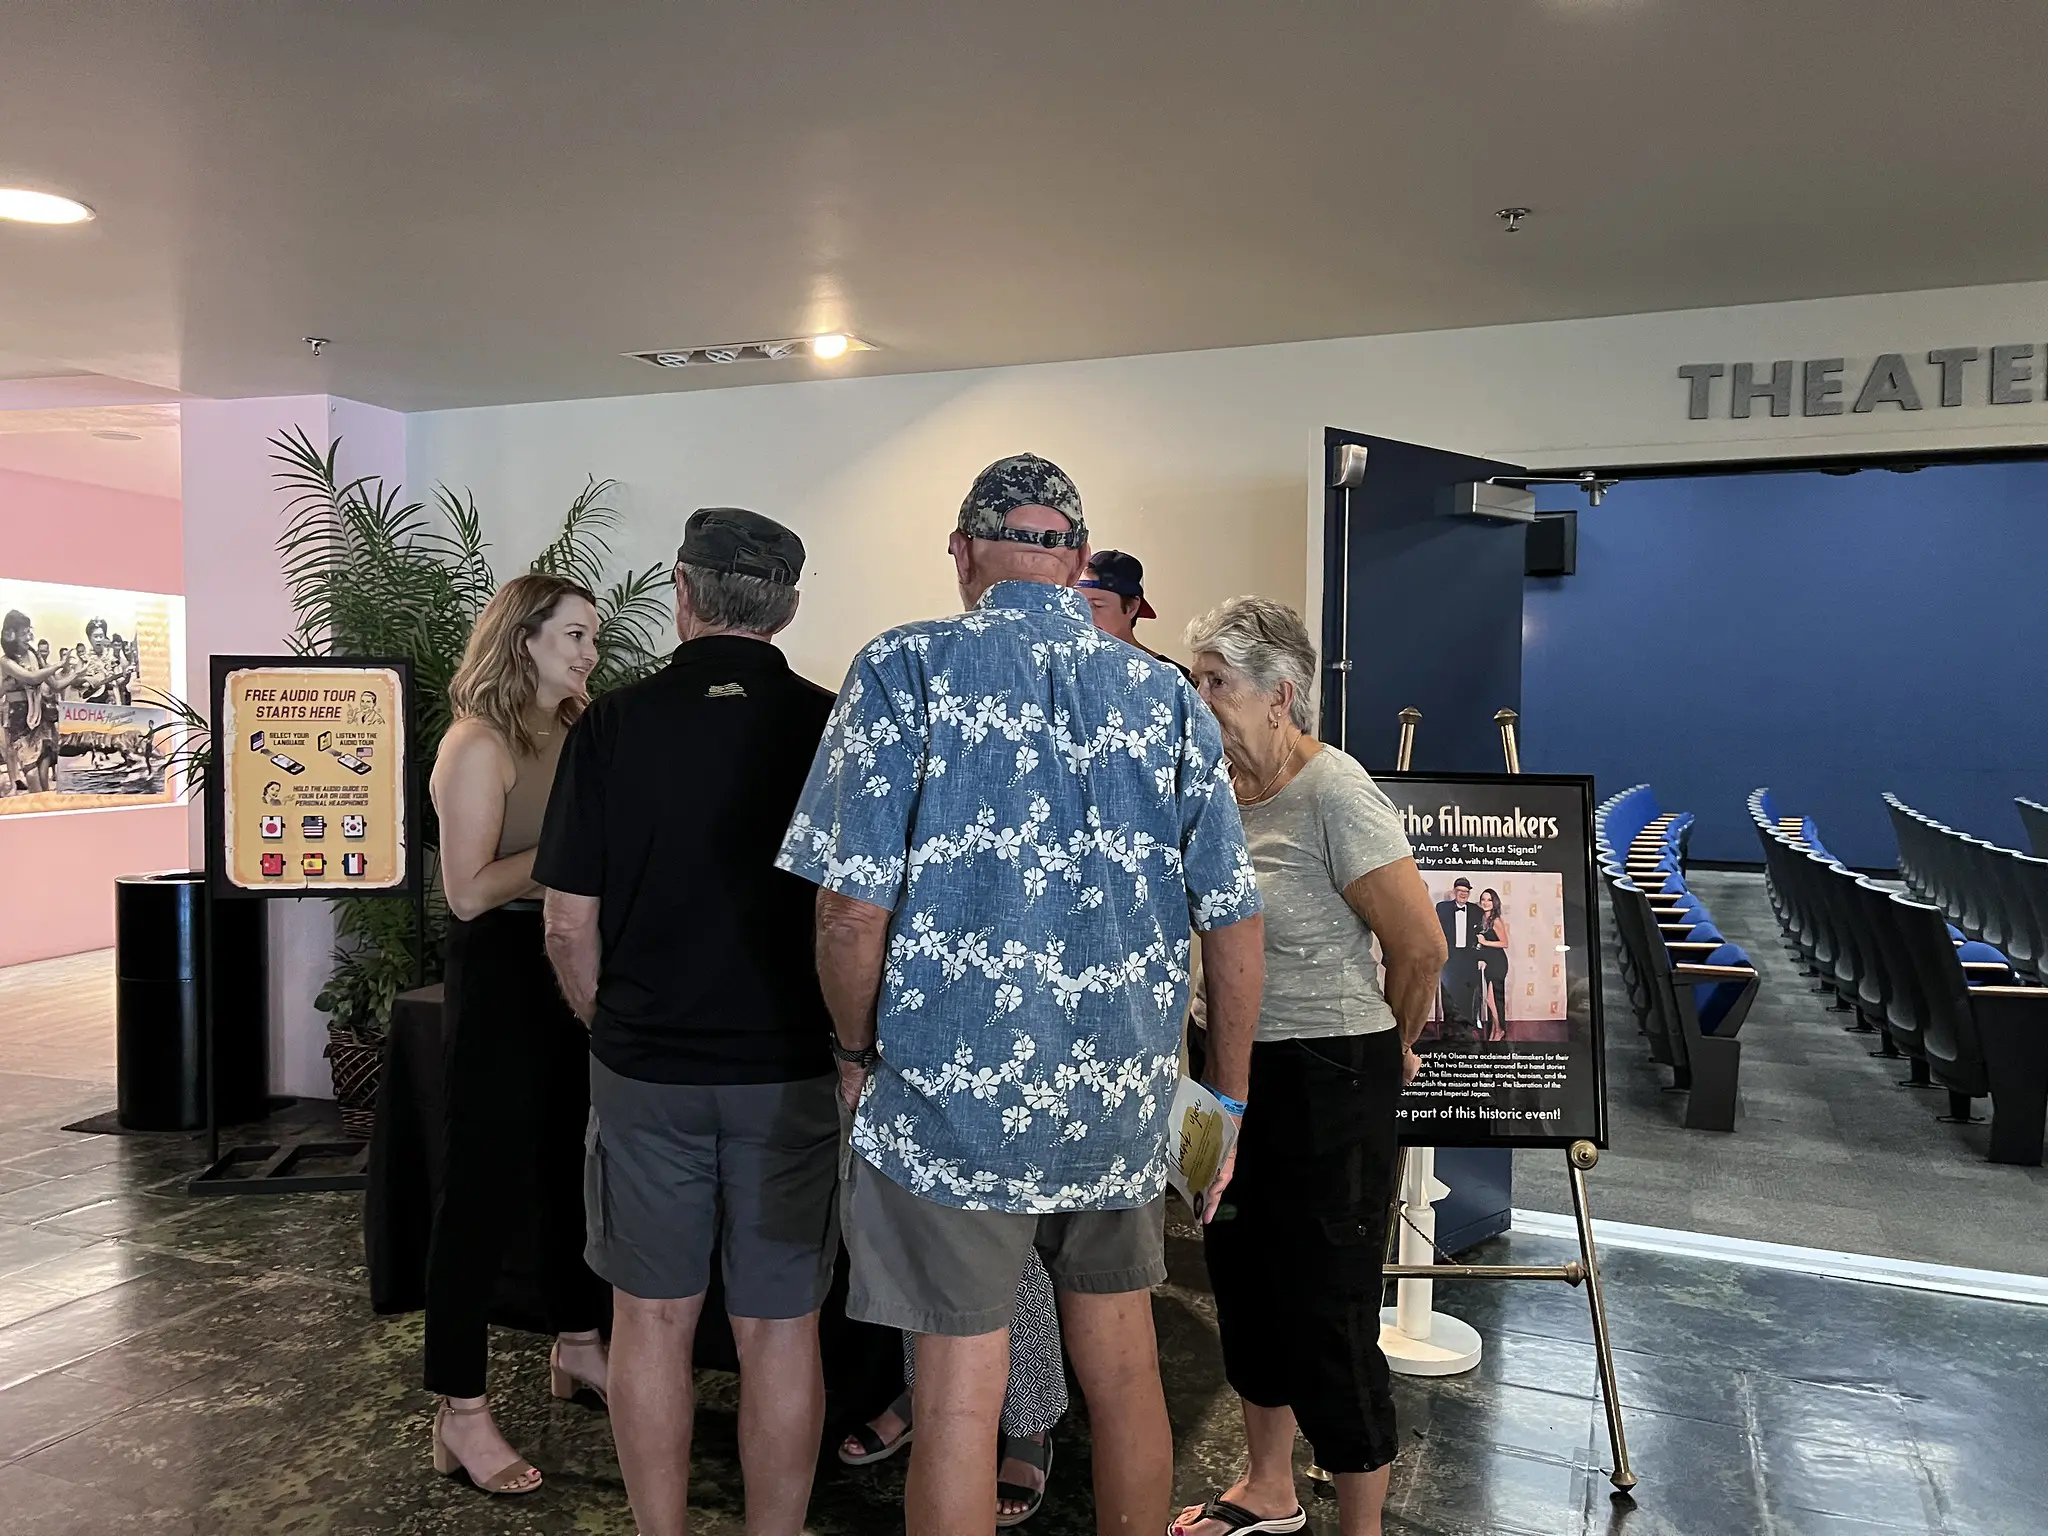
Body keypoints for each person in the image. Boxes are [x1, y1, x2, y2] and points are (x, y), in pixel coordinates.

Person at [777, 452, 1267, 1536]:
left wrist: (854, 1058)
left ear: (962, 554)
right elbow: (1231, 920)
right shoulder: (1164, 699)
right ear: (1078, 562)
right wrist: (1222, 1103)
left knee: (959, 1393)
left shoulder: (903, 668)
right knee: (1125, 1369)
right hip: (1121, 1097)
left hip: (949, 1101)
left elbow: (850, 915)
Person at [538, 508, 840, 1536]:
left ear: (680, 590)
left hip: (646, 1068)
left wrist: (602, 1021)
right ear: (786, 607)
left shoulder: (614, 723)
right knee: (779, 1328)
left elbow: (567, 924)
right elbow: (859, 917)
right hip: (792, 1069)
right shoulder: (834, 723)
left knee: (650, 1323)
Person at [1176, 595, 1446, 1536]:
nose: (1199, 697)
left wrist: (1398, 1048)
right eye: (1197, 678)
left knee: (1327, 1306)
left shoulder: (1334, 791)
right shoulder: (1209, 790)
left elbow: (1420, 950)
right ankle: (1268, 1488)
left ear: (1279, 695)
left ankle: (1362, 1525)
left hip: (1330, 1072)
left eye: (1217, 682)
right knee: (1242, 1283)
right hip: (1226, 1073)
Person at [421, 572, 611, 1497]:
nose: (588, 653)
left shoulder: (578, 730)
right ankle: (458, 1411)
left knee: (571, 1170)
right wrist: (578, 851)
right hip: (499, 977)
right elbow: (466, 891)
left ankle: (578, 1347)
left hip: (567, 966)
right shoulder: (475, 743)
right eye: (574, 635)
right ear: (524, 638)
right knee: (479, 1196)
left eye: (592, 638)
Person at [1077, 549, 1190, 680]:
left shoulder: (1172, 679)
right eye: (1080, 603)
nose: (1085, 615)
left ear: (1132, 607)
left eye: (1097, 605)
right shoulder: (1068, 668)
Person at [1435, 878, 1484, 1043]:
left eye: (1466, 892)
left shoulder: (1477, 911)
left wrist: (1481, 957)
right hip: (1449, 956)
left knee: (1467, 991)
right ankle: (1449, 1029)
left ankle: (1466, 1029)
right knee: (1448, 992)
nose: (1463, 894)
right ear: (1454, 891)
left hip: (1468, 957)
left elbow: (1482, 936)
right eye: (1460, 891)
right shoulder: (1442, 908)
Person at [1476, 887, 1511, 1042]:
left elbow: (1505, 943)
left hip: (1498, 962)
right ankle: (1495, 1030)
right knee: (1490, 999)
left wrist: (1485, 942)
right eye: (1483, 899)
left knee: (1493, 999)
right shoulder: (1482, 918)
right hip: (1488, 962)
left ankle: (1500, 1030)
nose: (1485, 902)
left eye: (1489, 899)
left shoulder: (1496, 920)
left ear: (1494, 902)